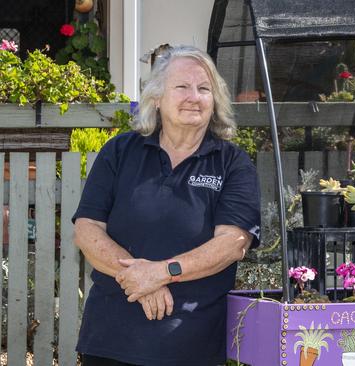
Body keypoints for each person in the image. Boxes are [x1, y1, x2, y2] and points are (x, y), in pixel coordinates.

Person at [72, 45, 261, 366]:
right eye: (182, 87)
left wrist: (163, 272)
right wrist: (142, 280)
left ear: (215, 102)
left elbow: (233, 244)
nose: (194, 96)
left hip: (190, 344)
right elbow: (87, 230)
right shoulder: (120, 151)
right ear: (156, 98)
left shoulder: (233, 164)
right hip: (110, 339)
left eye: (204, 89)